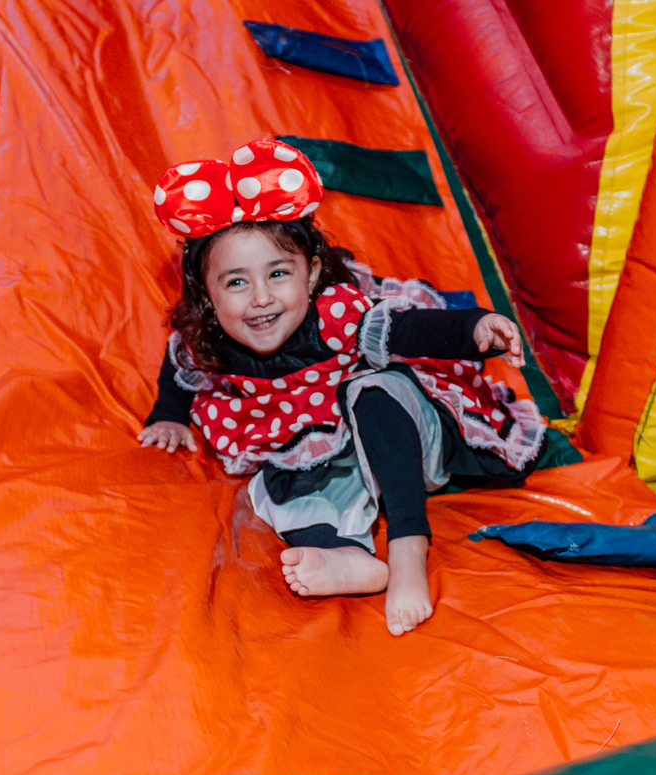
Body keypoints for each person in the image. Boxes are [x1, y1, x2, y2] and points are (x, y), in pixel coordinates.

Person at [139, 138, 546, 636]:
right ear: (207, 294)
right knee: (282, 490)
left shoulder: (337, 314)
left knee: (373, 388)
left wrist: (475, 329)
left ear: (311, 276)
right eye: (237, 283)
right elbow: (181, 363)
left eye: (279, 273)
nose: (262, 298)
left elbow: (410, 330)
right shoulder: (211, 342)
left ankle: (407, 548)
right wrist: (169, 413)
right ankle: (351, 560)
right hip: (336, 458)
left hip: (405, 441)